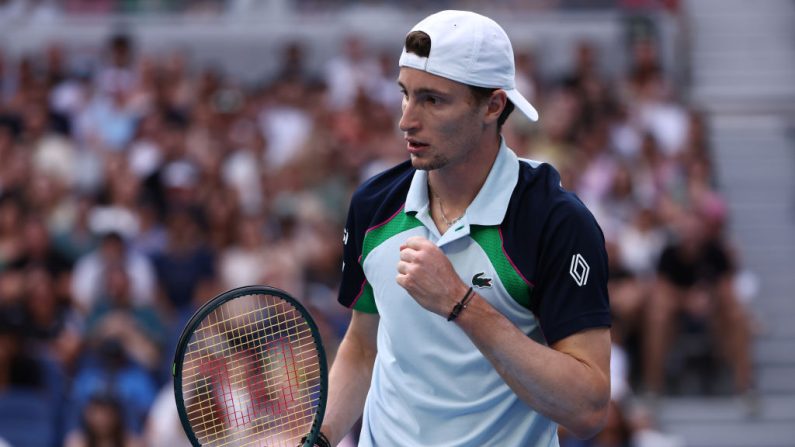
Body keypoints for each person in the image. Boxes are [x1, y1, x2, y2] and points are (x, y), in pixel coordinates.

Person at [319, 10, 612, 446]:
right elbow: (363, 347)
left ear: (492, 106)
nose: (407, 120)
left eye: (433, 100)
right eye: (405, 94)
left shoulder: (556, 221)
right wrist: (321, 438)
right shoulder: (373, 205)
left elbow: (587, 410)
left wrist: (460, 303)